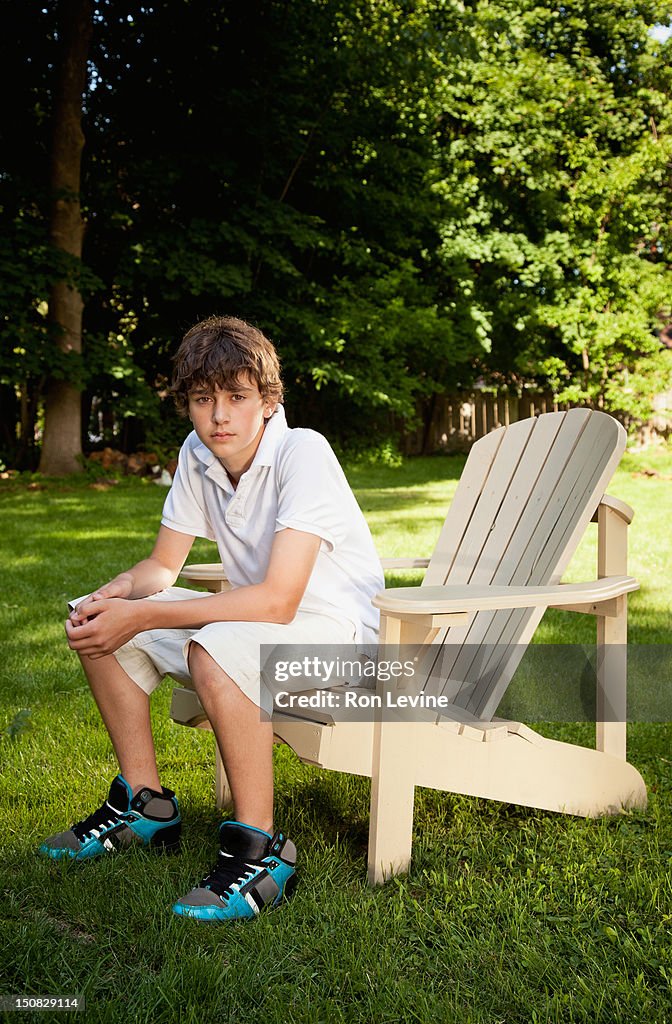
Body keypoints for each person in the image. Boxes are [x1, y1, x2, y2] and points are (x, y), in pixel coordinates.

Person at [39, 315, 384, 923]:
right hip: (260, 629)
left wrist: (146, 617)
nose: (219, 416)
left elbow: (279, 599)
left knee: (215, 647)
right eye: (203, 399)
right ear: (187, 405)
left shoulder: (304, 452)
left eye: (237, 397)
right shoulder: (198, 455)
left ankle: (261, 849)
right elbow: (160, 565)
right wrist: (114, 598)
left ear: (269, 400)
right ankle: (145, 806)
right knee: (101, 632)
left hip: (340, 639)